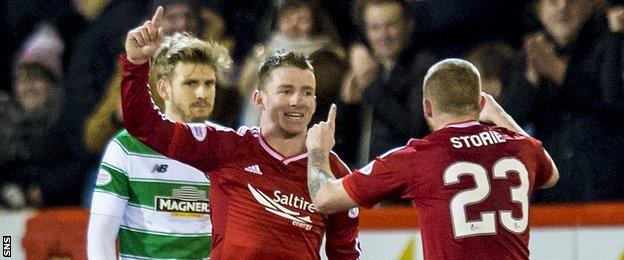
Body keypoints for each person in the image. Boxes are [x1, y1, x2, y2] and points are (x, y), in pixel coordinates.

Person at [119, 7, 360, 259]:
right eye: (286, 91)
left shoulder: (332, 172)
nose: (297, 101)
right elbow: (146, 127)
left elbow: (344, 252)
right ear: (259, 99)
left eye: (307, 92)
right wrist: (135, 65)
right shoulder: (226, 147)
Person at [305, 59, 559, 259]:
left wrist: (318, 150)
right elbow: (550, 174)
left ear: (427, 107)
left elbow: (324, 197)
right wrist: (499, 114)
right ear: (481, 102)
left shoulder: (417, 157)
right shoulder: (521, 146)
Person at [87, 31, 229, 259]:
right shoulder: (127, 146)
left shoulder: (228, 146)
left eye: (209, 83)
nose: (202, 93)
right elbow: (101, 235)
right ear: (163, 89)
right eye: (191, 83)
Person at [336, 0, 435, 167]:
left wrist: (370, 85)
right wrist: (347, 105)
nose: (383, 35)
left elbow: (414, 130)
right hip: (360, 178)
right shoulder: (364, 65)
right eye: (374, 28)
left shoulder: (423, 67)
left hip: (402, 180)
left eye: (390, 25)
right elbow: (341, 138)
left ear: (408, 25)